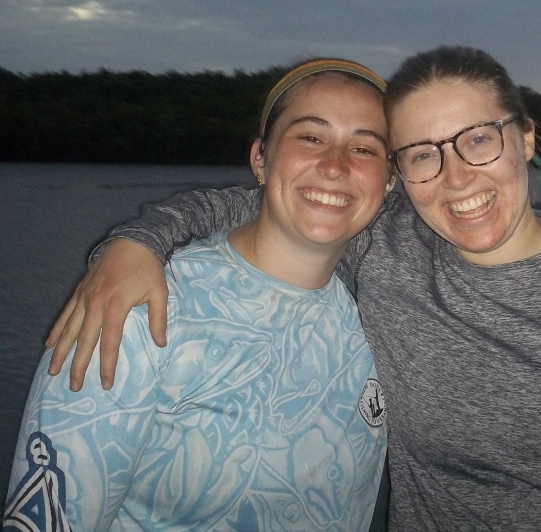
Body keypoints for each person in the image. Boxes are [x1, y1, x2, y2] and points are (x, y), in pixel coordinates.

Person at [41, 47, 541, 531]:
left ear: (525, 137)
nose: (456, 177)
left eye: (478, 139)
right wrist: (134, 242)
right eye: (424, 151)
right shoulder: (387, 252)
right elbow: (278, 201)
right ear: (400, 174)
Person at [4, 60, 395, 532]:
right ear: (261, 159)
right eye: (310, 137)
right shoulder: (138, 308)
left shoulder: (382, 322)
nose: (335, 165)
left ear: (389, 182)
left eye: (365, 148)